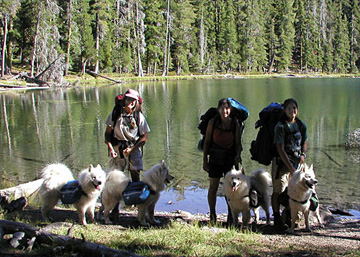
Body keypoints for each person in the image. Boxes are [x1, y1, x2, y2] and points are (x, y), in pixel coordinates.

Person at [202, 98, 242, 223]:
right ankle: (212, 214)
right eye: (222, 108)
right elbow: (207, 142)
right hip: (215, 157)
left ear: (230, 110)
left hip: (229, 158)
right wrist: (205, 160)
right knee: (213, 187)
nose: (225, 111)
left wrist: (238, 156)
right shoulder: (213, 123)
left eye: (227, 108)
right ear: (218, 110)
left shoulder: (235, 123)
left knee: (230, 188)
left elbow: (237, 143)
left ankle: (231, 215)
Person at [271, 98, 307, 230]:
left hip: (296, 163)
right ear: (285, 110)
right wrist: (291, 168)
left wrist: (303, 155)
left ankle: (289, 216)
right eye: (290, 108)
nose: (293, 111)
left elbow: (304, 142)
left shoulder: (300, 125)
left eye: (294, 108)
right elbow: (280, 149)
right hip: (281, 163)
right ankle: (276, 218)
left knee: (295, 191)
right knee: (279, 191)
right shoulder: (280, 126)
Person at [104, 89, 150, 182]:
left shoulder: (139, 116)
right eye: (128, 99)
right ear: (124, 100)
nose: (131, 102)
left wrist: (132, 149)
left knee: (135, 177)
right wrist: (111, 149)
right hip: (117, 149)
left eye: (133, 100)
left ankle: (134, 194)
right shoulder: (115, 114)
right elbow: (107, 134)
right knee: (115, 178)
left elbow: (144, 137)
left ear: (136, 102)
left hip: (134, 148)